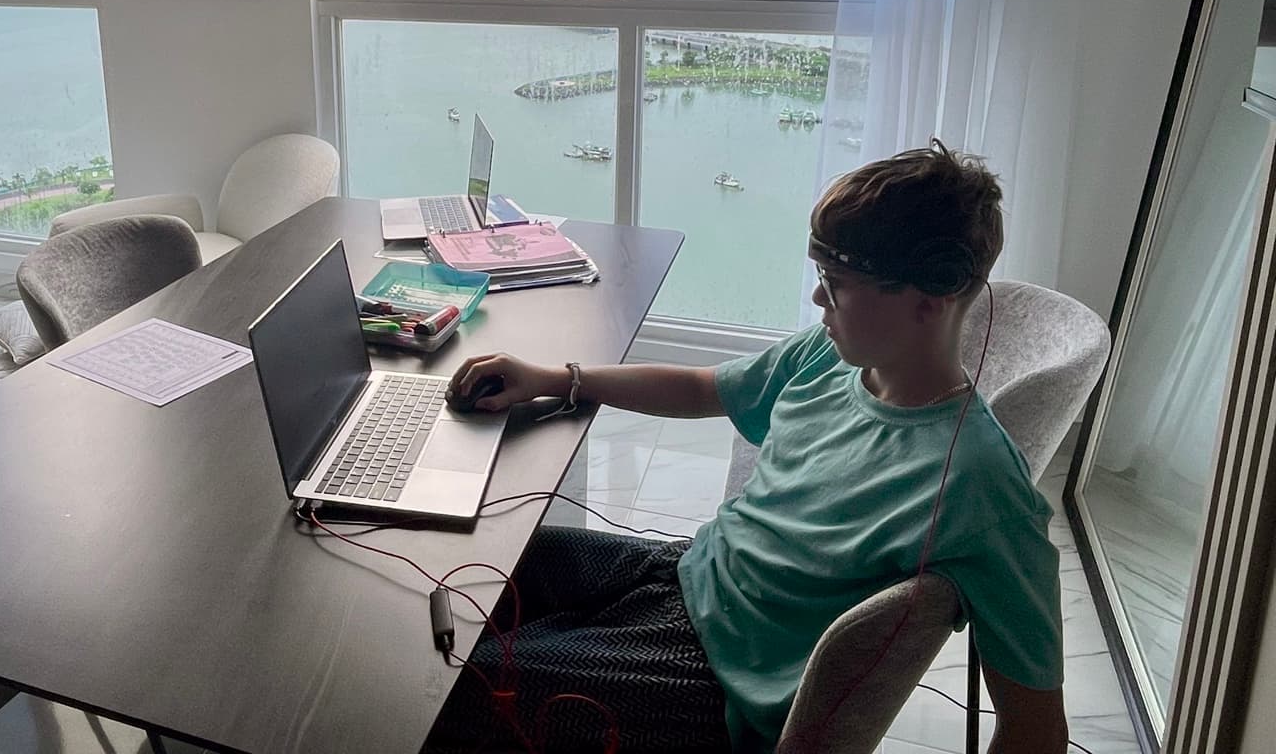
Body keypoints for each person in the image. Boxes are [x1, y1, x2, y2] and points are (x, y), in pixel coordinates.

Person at [422, 141, 1068, 753]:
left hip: (711, 681)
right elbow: (706, 387)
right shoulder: (832, 354)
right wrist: (559, 379)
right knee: (455, 568)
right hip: (680, 572)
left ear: (931, 298)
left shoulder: (981, 489)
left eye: (837, 282)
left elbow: (1036, 729)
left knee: (440, 689)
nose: (818, 297)